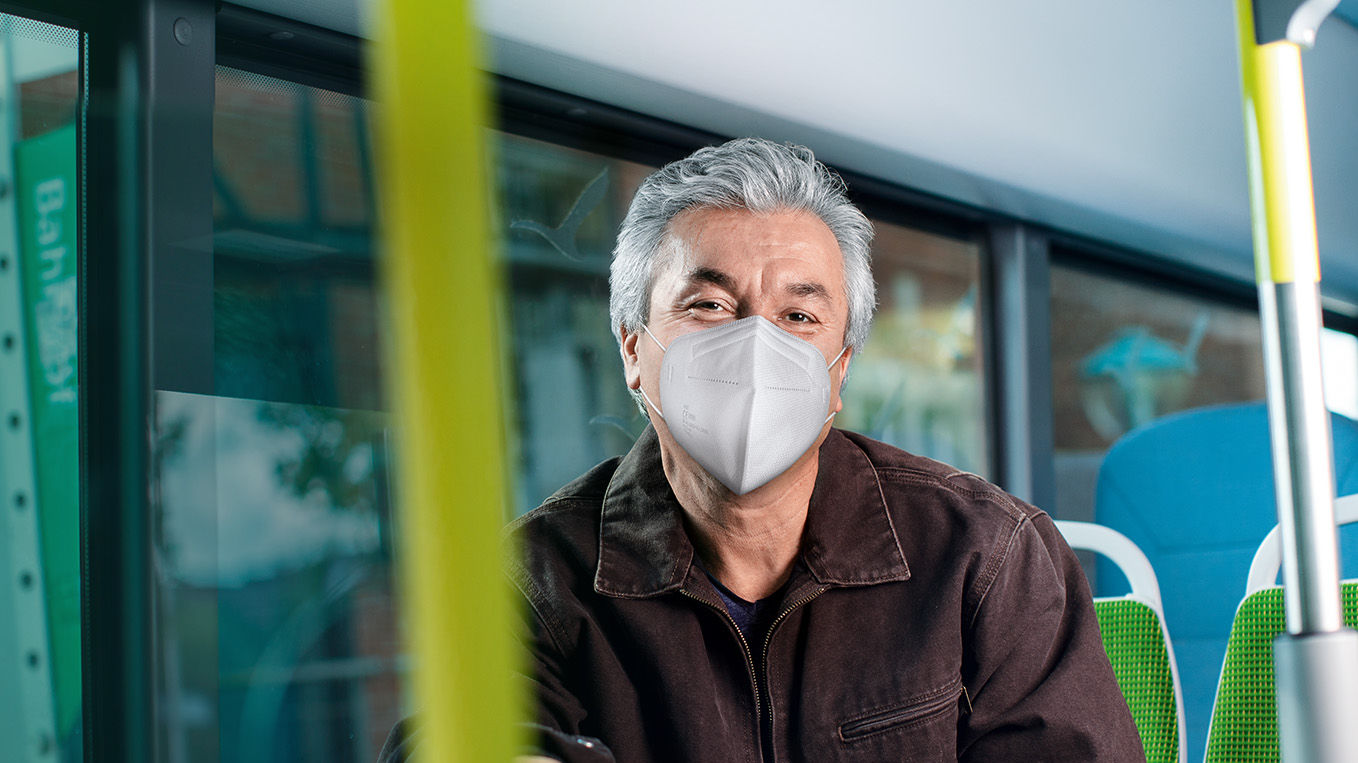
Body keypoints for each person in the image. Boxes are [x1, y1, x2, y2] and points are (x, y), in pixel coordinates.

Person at [382, 137, 1144, 762]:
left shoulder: (987, 554)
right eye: (708, 305)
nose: (755, 345)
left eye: (800, 316)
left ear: (839, 369)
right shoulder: (531, 582)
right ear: (632, 351)